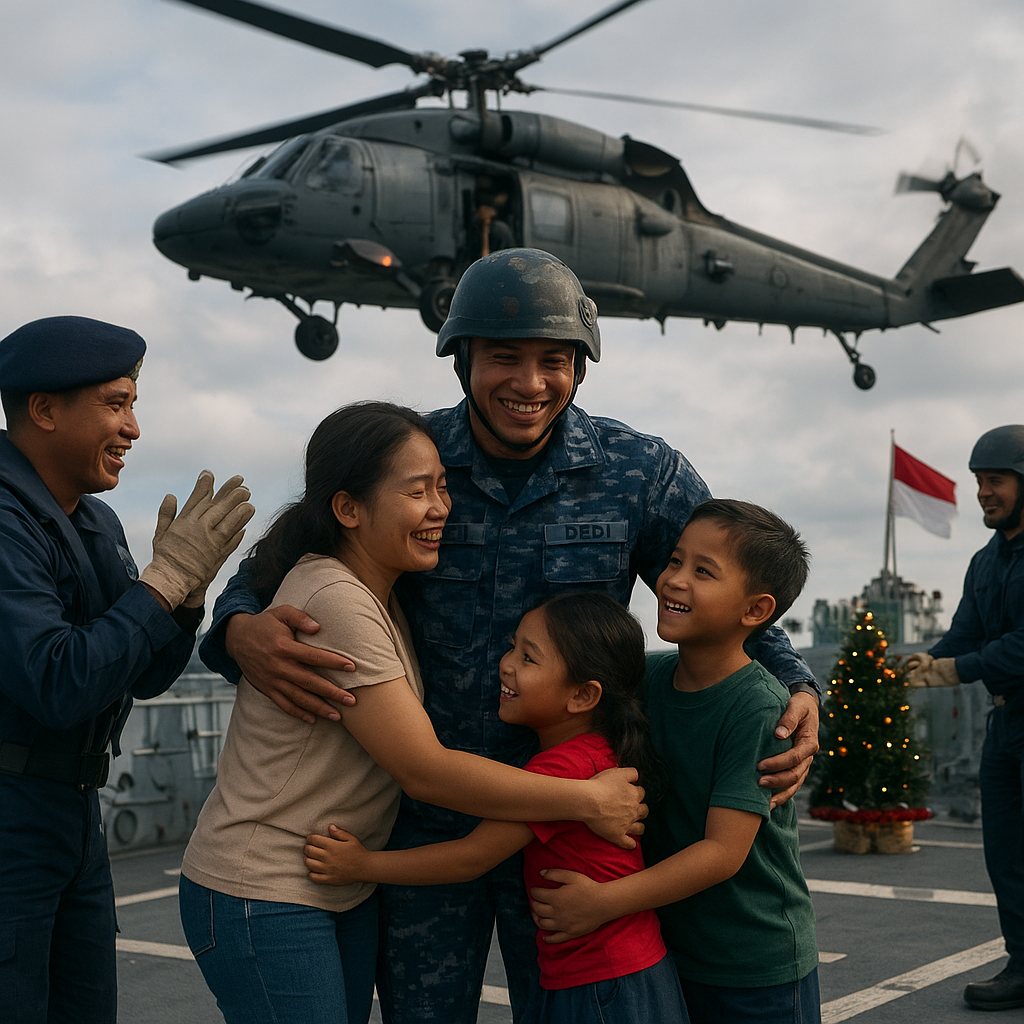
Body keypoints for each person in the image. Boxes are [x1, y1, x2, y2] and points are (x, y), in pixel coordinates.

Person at [200, 249, 822, 1023]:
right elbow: (284, 555)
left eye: (553, 361)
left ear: (580, 370)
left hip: (570, 824)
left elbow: (727, 586)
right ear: (463, 359)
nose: (529, 384)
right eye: (504, 357)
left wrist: (797, 683)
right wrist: (236, 631)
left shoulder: (639, 472)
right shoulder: (409, 458)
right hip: (426, 820)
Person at [178, 403, 644, 1024]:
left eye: (443, 487)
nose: (440, 509)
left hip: (328, 882)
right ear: (348, 510)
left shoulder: (378, 592)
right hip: (263, 887)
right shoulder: (335, 599)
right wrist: (586, 799)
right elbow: (424, 770)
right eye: (416, 491)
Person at [0, 315, 254, 1024]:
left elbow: (139, 675)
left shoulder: (94, 521)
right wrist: (159, 584)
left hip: (74, 812)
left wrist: (184, 597)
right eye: (115, 404)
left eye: (132, 405)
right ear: (45, 410)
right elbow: (57, 681)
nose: (133, 428)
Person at [303, 591, 690, 1024]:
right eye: (512, 647)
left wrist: (360, 865)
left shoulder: (562, 770)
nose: (505, 663)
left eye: (529, 658)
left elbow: (469, 858)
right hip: (628, 971)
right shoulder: (599, 752)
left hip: (601, 983)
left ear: (582, 696)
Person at [530, 500, 820, 1024]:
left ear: (755, 611)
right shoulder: (647, 681)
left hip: (752, 964)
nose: (673, 580)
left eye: (703, 571)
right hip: (671, 950)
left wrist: (603, 902)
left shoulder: (758, 705)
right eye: (674, 561)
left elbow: (721, 853)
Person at [906, 425, 1024, 1011]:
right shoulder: (985, 561)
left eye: (995, 480)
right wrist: (928, 661)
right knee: (1004, 851)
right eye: (980, 481)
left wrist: (957, 671)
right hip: (1006, 725)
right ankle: (1023, 963)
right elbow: (967, 633)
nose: (983, 492)